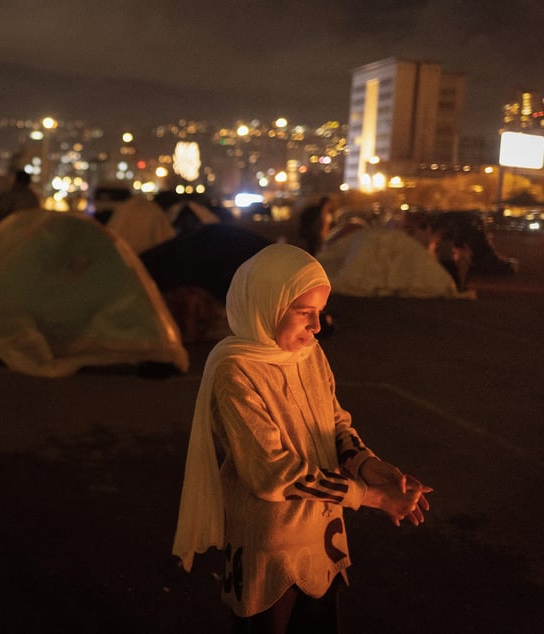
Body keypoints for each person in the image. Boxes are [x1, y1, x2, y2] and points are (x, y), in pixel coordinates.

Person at [172, 243, 431, 633]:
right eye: (304, 313)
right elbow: (272, 473)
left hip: (322, 535)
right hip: (271, 545)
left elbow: (335, 423)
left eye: (320, 313)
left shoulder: (309, 353)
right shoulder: (236, 371)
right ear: (267, 304)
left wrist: (369, 466)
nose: (316, 326)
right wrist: (371, 497)